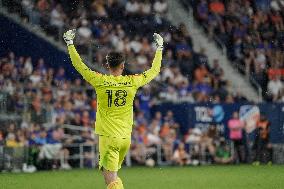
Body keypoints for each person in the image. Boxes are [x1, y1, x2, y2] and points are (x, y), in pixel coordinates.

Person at [63, 29, 163, 189]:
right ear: (123, 66)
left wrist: (70, 44)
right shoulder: (132, 81)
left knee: (111, 180)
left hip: (109, 137)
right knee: (113, 179)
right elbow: (154, 71)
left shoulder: (100, 80)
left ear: (107, 65)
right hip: (125, 138)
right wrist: (159, 49)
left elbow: (79, 66)